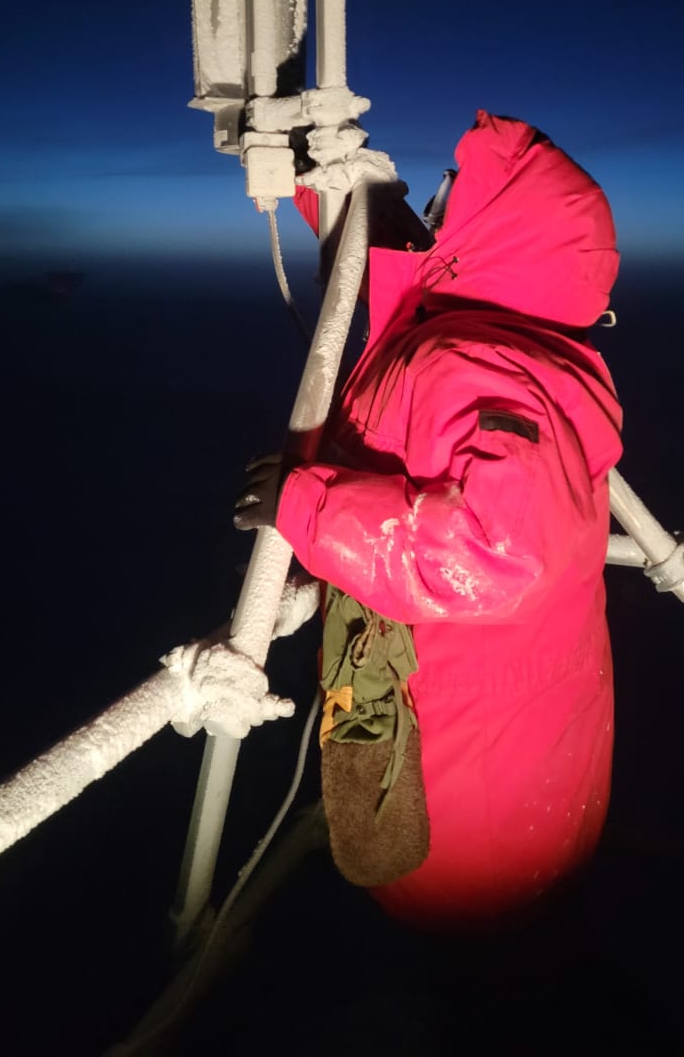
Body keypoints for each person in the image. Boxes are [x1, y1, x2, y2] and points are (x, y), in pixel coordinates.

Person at [234, 110, 622, 935]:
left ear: (497, 235)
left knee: (476, 962)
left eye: (454, 202)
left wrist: (305, 502)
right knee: (518, 952)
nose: (436, 214)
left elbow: (491, 555)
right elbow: (409, 273)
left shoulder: (476, 363)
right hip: (536, 781)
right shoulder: (526, 345)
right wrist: (330, 180)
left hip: (468, 807)